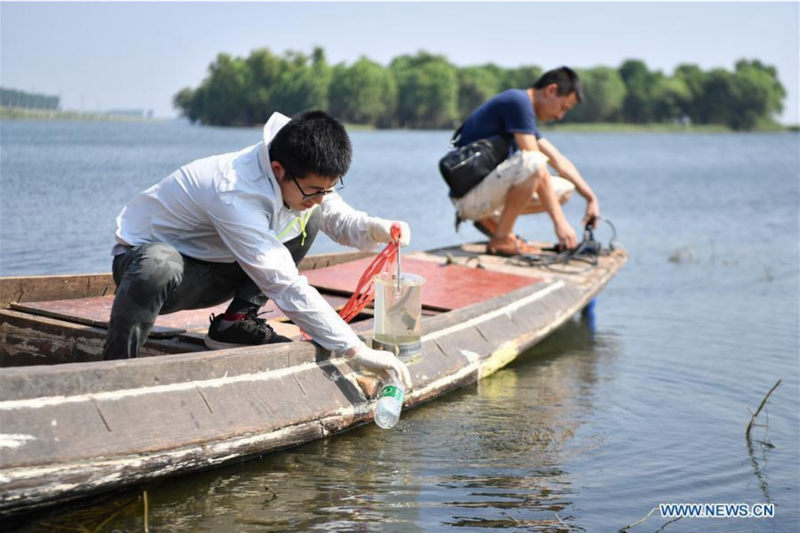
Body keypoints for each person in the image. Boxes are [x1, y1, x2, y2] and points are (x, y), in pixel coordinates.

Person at [103, 110, 411, 388]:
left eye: (328, 189)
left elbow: (337, 216)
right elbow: (285, 285)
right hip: (155, 273)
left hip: (219, 265)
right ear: (278, 170)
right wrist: (356, 352)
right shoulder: (235, 191)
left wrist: (378, 229)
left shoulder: (299, 170)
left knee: (312, 215)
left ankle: (235, 323)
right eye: (314, 190)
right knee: (160, 263)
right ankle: (115, 371)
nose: (320, 197)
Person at [450, 66, 600, 256]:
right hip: (469, 198)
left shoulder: (523, 112)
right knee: (533, 162)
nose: (560, 116)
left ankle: (494, 224)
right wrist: (560, 224)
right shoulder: (517, 102)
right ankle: (502, 237)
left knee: (565, 189)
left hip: (484, 194)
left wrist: (590, 198)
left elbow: (559, 161)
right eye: (563, 107)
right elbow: (537, 165)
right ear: (551, 90)